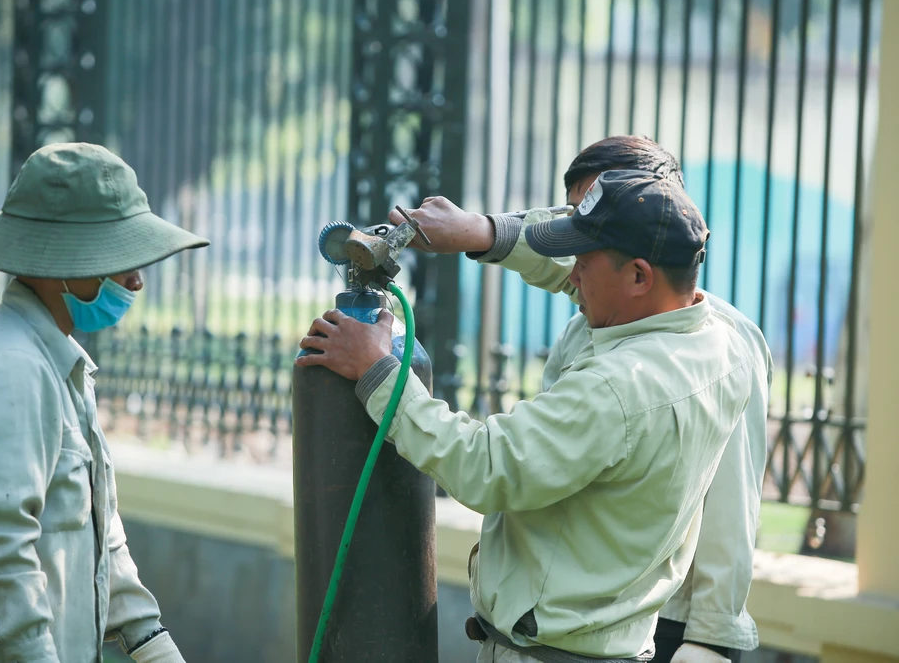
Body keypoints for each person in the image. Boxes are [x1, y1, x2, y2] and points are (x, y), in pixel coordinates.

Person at [297, 168, 754, 662]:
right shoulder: (721, 344)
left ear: (640, 276)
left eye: (583, 262)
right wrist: (483, 231)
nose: (572, 277)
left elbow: (484, 467)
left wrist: (378, 373)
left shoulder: (618, 388)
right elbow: (586, 272)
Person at [419, 135, 772, 663]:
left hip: (665, 624)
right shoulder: (615, 318)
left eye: (591, 235)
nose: (574, 258)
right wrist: (484, 232)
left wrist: (710, 644)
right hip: (574, 617)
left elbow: (731, 521)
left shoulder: (717, 350)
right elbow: (566, 266)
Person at [0, 142, 208, 663]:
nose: (137, 279)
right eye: (120, 256)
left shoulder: (62, 366)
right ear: (56, 259)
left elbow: (101, 536)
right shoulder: (13, 373)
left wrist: (152, 645)